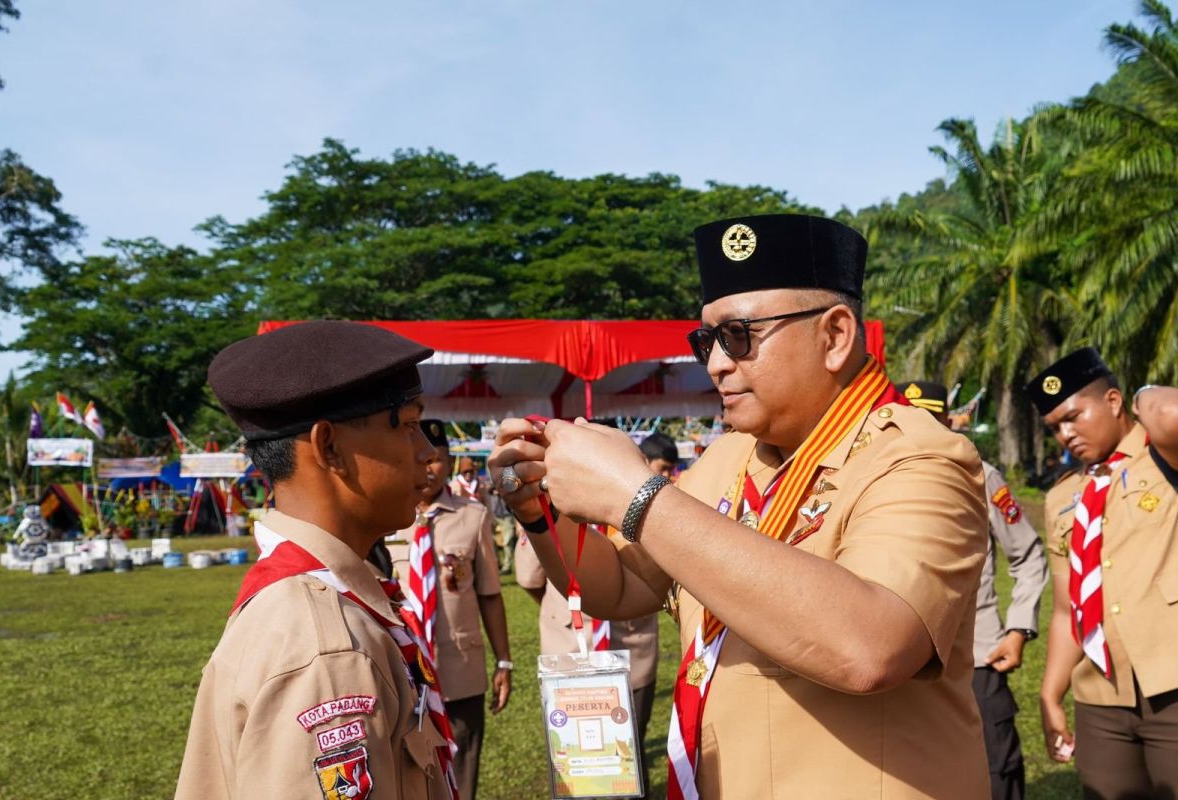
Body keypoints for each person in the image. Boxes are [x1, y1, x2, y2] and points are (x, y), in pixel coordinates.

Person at [491, 214, 990, 798]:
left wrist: (638, 498)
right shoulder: (729, 459)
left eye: (739, 336)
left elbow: (872, 646)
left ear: (834, 336)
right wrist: (537, 508)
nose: (716, 364)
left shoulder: (919, 457)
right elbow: (624, 586)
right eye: (707, 341)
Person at [176, 320, 456, 800]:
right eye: (408, 426)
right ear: (329, 447)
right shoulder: (329, 650)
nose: (427, 453)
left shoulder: (317, 597)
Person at [1027, 348, 1178, 798]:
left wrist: (1142, 393)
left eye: (1074, 416)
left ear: (1114, 401)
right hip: (1101, 698)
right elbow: (1066, 609)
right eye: (1055, 427)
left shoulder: (1164, 457)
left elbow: (1169, 413)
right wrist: (1051, 693)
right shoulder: (1063, 498)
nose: (1065, 434)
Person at [897, 380, 1049, 800]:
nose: (918, 430)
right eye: (907, 419)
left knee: (996, 770)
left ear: (949, 421)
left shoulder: (980, 477)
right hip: (900, 664)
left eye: (929, 419)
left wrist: (1018, 630)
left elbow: (1029, 554)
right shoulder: (874, 483)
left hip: (977, 657)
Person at [513, 430, 670, 783]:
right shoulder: (554, 512)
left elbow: (528, 577)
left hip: (608, 651)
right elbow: (528, 575)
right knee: (608, 756)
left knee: (586, 760)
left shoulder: (641, 508)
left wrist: (565, 606)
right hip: (603, 651)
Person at [386, 419, 513, 800]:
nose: (427, 468)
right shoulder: (385, 521)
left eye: (437, 459)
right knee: (404, 759)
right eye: (417, 459)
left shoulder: (472, 516)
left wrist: (504, 662)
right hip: (403, 666)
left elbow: (490, 593)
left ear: (450, 463)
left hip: (459, 662)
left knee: (464, 752)